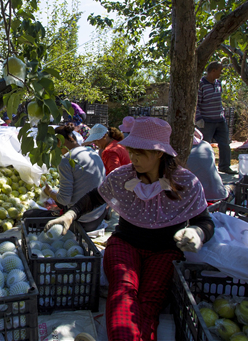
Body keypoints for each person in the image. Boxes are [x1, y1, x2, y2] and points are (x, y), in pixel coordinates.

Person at [45, 117, 214, 341]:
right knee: (122, 290)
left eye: (141, 152)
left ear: (159, 153)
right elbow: (95, 196)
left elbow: (205, 221)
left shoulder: (186, 182)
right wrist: (71, 214)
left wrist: (197, 233)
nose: (133, 157)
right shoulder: (123, 176)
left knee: (150, 300)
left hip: (164, 250)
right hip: (125, 243)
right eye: (132, 150)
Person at [25, 123, 107, 231]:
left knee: (29, 215)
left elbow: (64, 200)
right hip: (99, 216)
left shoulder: (66, 160)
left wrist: (49, 192)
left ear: (59, 142)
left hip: (82, 221)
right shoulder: (91, 152)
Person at [195, 61, 237, 174]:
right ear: (213, 71)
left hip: (220, 119)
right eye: (220, 70)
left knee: (225, 144)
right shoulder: (201, 84)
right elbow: (196, 103)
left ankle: (224, 166)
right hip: (206, 121)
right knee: (204, 146)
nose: (221, 72)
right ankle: (204, 169)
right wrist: (198, 118)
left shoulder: (218, 83)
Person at [186, 128, 228, 203]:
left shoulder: (178, 151)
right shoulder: (206, 145)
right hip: (216, 195)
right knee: (230, 187)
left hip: (193, 200)